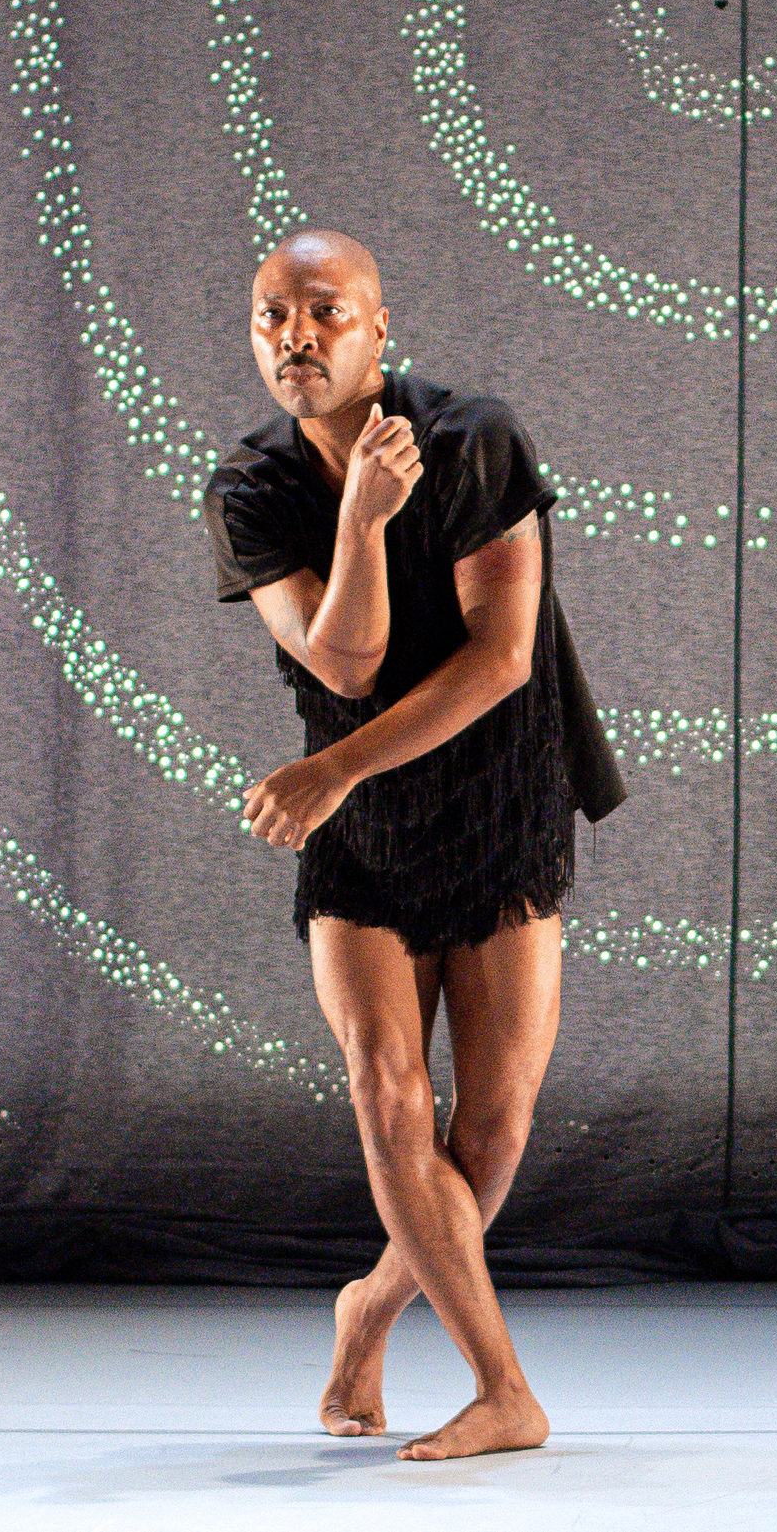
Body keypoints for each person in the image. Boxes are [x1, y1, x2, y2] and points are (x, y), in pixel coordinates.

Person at [201, 227, 624, 1460]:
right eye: (273, 318)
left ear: (379, 330)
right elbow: (345, 660)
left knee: (489, 1133)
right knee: (389, 1094)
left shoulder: (476, 437)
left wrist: (326, 765)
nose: (297, 337)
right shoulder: (249, 489)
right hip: (364, 835)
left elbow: (501, 660)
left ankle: (373, 1303)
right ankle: (505, 1389)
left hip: (499, 802)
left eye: (324, 312)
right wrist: (366, 521)